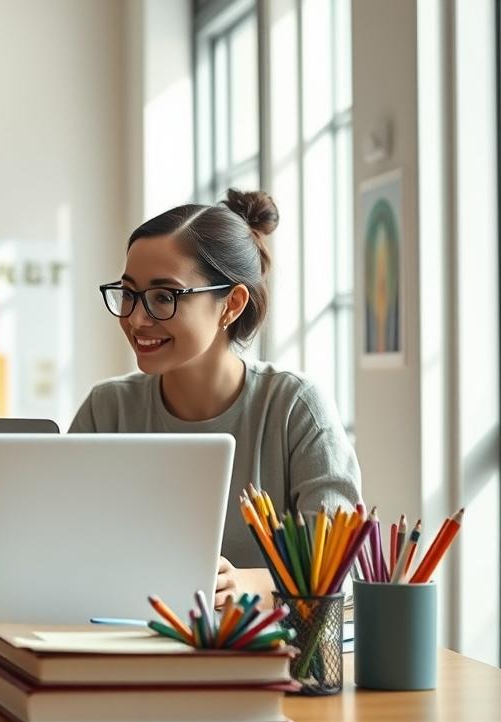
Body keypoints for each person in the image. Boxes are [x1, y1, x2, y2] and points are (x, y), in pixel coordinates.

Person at [70, 189, 361, 608]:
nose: (135, 318)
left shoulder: (296, 407)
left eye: (163, 297)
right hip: (128, 644)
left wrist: (247, 584)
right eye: (129, 293)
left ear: (231, 305)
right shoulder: (108, 409)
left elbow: (337, 567)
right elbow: (68, 548)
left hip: (270, 659)